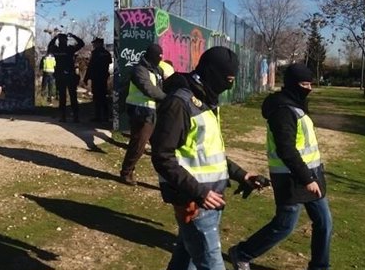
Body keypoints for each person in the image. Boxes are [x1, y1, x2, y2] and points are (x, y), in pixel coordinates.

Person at [150, 46, 267, 269]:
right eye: (226, 79)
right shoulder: (179, 103)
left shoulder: (207, 101)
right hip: (194, 202)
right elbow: (162, 156)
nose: (228, 86)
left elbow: (208, 154)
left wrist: (242, 175)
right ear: (210, 73)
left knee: (185, 263)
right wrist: (198, 192)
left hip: (211, 199)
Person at [228, 63, 332, 270]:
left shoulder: (296, 107)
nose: (308, 88)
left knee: (324, 222)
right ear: (293, 84)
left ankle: (320, 267)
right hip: (291, 179)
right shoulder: (283, 111)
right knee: (285, 225)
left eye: (310, 83)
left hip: (310, 174)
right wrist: (307, 179)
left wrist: (313, 175)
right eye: (304, 84)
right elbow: (287, 150)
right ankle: (242, 253)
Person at [120, 43, 166, 186]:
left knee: (161, 146)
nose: (160, 58)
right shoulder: (139, 70)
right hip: (141, 112)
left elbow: (161, 86)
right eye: (158, 56)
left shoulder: (157, 70)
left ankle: (168, 178)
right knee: (139, 145)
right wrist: (168, 98)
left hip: (154, 112)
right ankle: (126, 172)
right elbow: (149, 89)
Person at [47, 32, 85, 122]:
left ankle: (63, 116)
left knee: (62, 97)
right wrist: (73, 36)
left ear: (59, 41)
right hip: (69, 75)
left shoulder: (56, 49)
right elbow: (81, 43)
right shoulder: (70, 49)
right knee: (72, 96)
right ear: (66, 41)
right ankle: (75, 117)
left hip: (61, 76)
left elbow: (49, 46)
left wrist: (54, 38)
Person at [84, 37, 112, 122]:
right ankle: (106, 116)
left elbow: (91, 66)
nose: (94, 45)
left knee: (97, 97)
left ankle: (98, 116)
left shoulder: (96, 53)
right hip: (103, 77)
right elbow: (109, 62)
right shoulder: (107, 53)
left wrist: (86, 77)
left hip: (97, 77)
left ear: (99, 43)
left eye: (95, 43)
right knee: (103, 97)